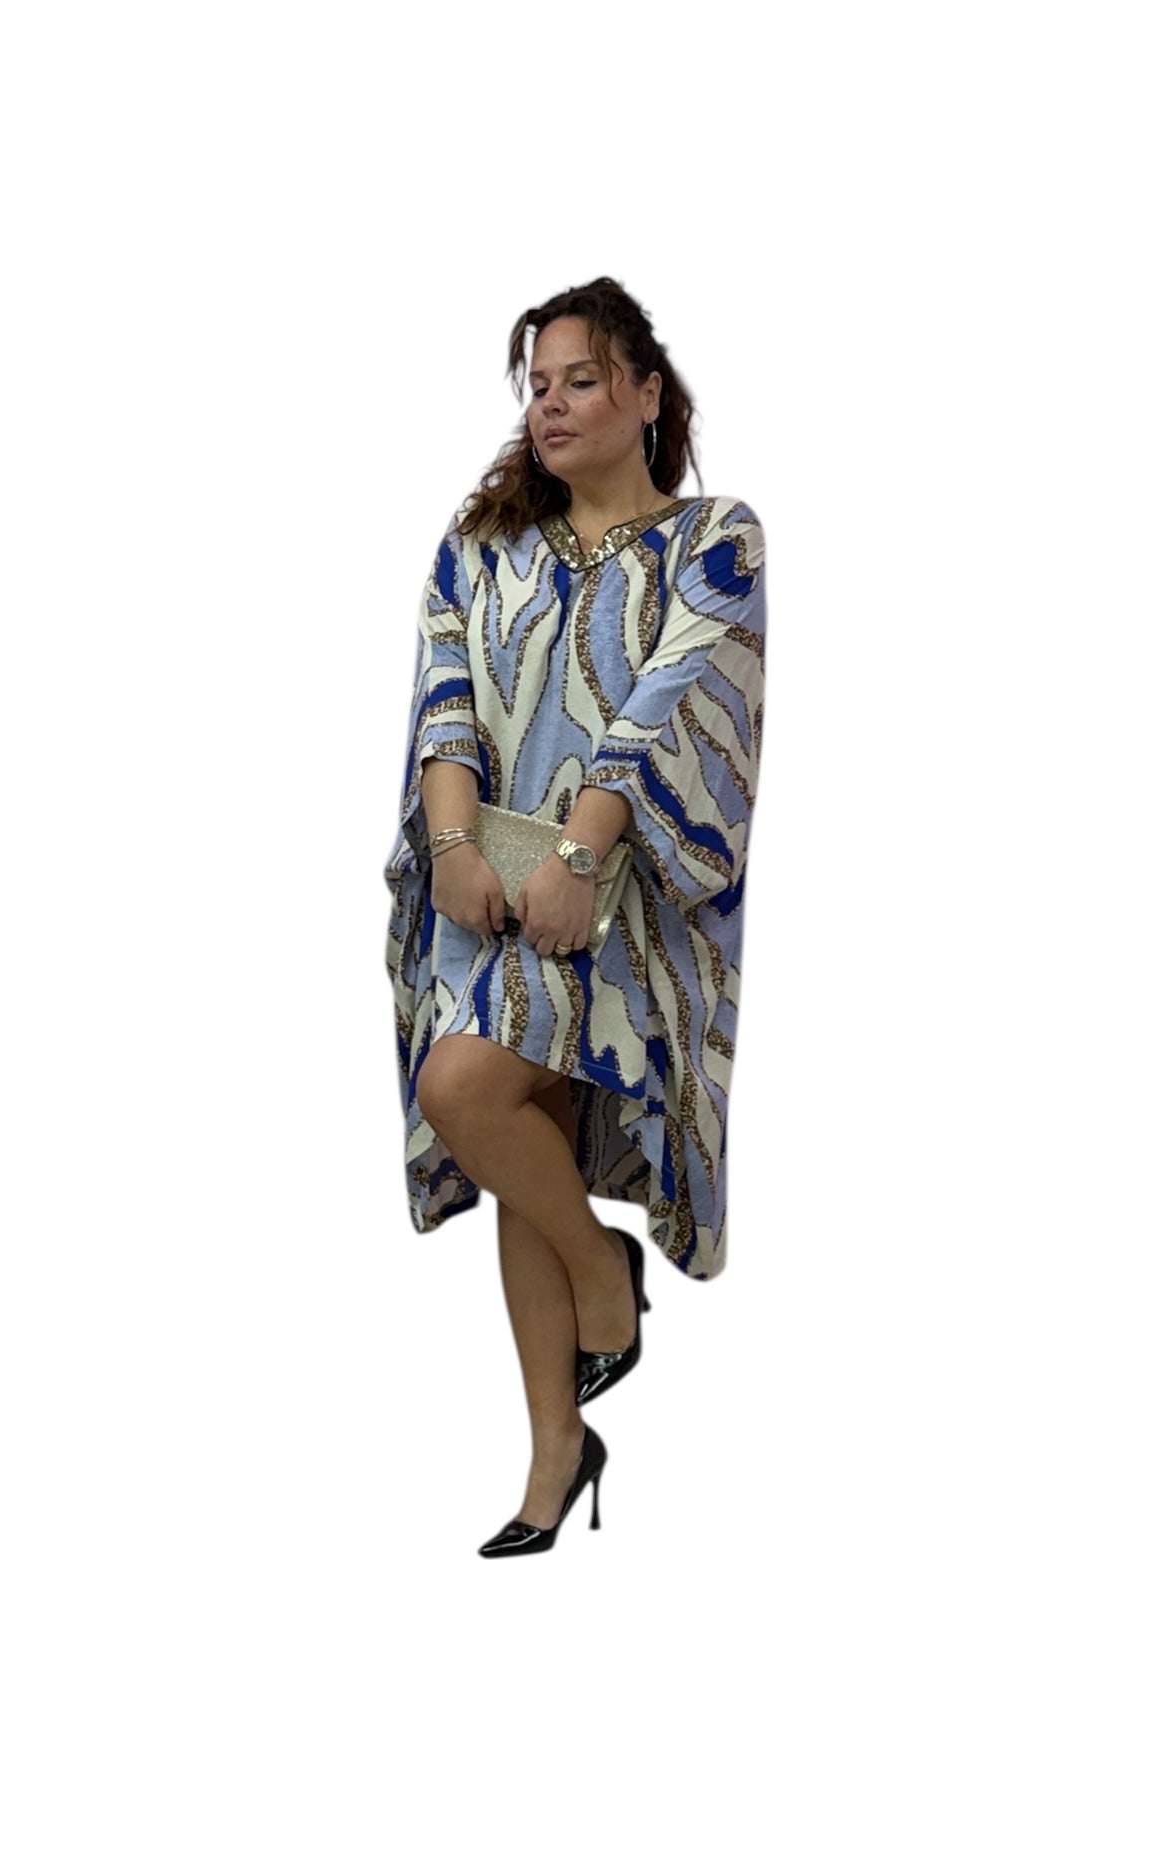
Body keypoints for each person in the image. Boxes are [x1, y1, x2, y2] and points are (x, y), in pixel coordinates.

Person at [381, 275, 767, 1557]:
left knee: (468, 1088)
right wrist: (450, 851)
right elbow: (445, 696)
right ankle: (561, 1441)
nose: (549, 404)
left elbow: (663, 711)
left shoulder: (714, 540)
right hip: (484, 890)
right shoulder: (481, 543)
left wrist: (580, 863)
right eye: (536, 385)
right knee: (516, 1130)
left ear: (647, 394)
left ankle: (600, 1298)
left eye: (581, 380)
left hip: (624, 907)